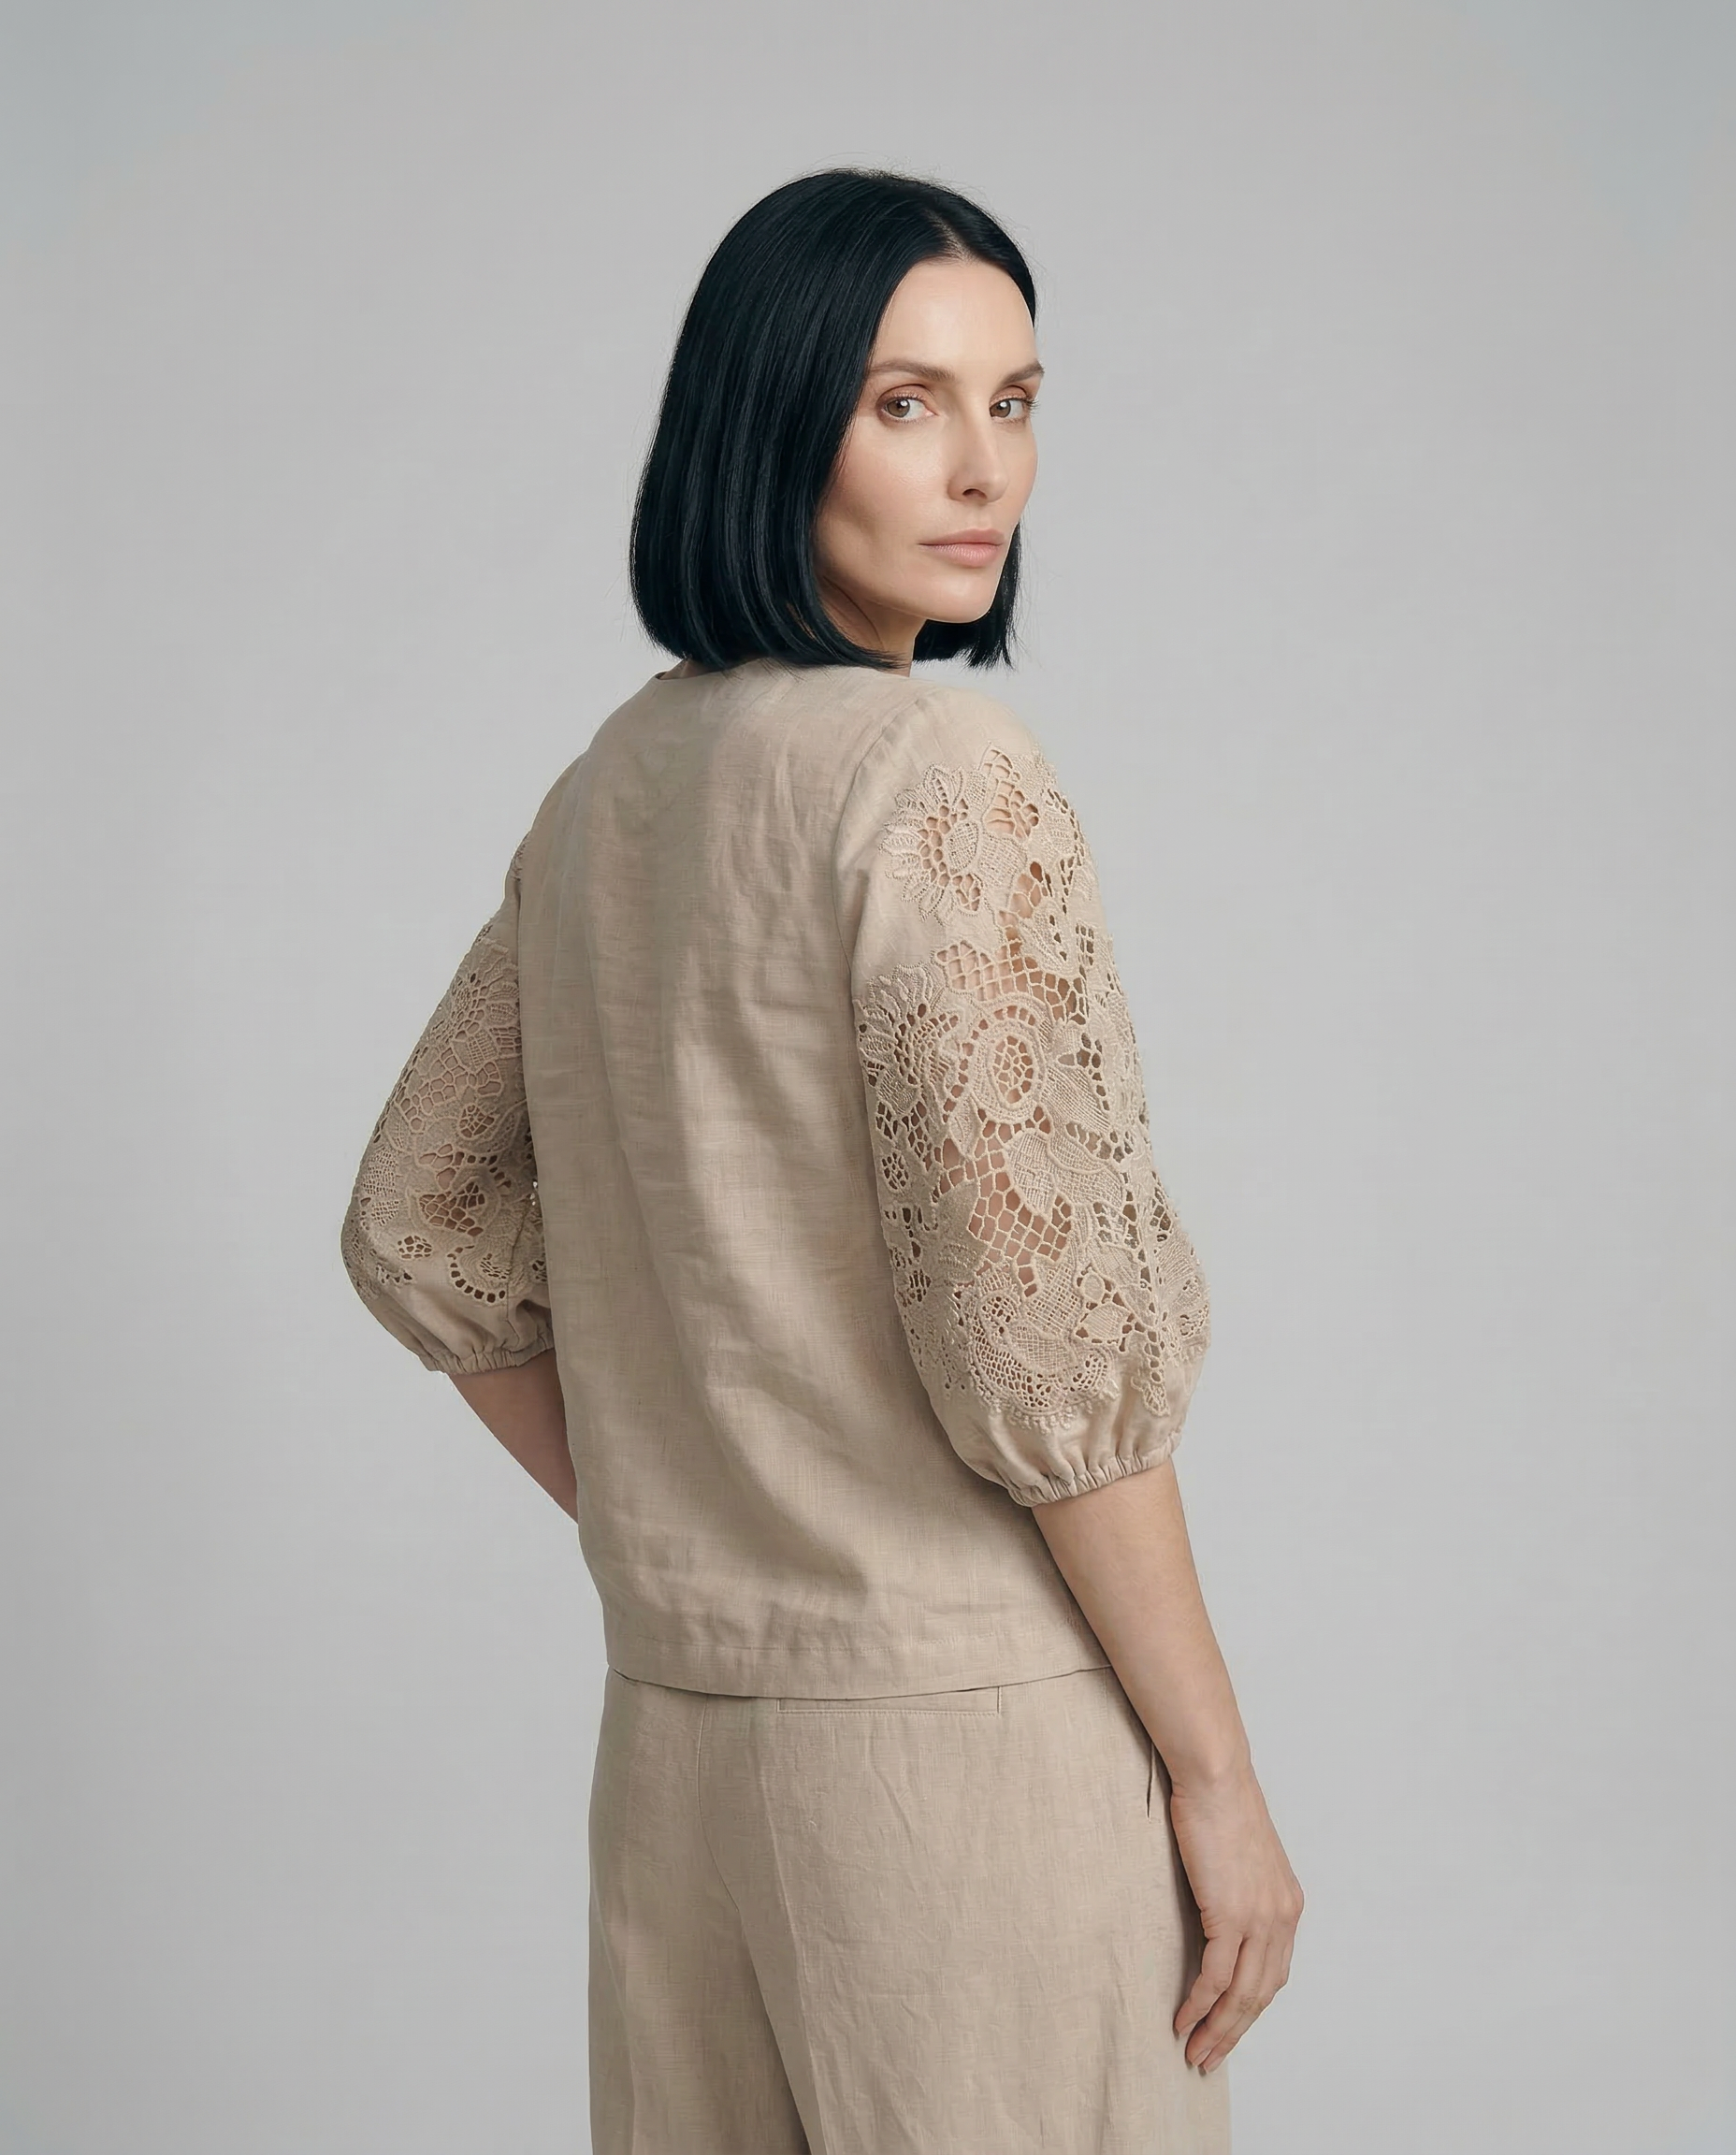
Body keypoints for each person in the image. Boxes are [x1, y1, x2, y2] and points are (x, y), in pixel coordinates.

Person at [340, 166, 1302, 2154]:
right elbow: (1049, 1352)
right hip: (966, 1766)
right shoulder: (943, 779)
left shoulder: (613, 787)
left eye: (1013, 402)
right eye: (904, 403)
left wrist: (701, 1522)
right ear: (773, 420)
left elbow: (420, 1215)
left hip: (682, 1759)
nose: (982, 468)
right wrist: (1217, 1779)